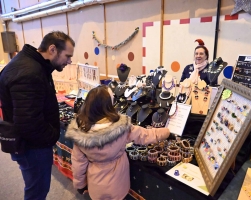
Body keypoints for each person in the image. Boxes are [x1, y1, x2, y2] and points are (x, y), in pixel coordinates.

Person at [0, 31, 75, 200]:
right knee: (37, 192)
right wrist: (52, 136)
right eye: (67, 56)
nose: (69, 61)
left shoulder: (33, 65)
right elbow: (28, 123)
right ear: (52, 49)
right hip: (32, 148)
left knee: (36, 189)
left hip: (31, 145)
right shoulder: (30, 72)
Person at [65, 86, 170, 200]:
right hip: (118, 182)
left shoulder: (80, 132)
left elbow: (78, 163)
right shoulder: (122, 127)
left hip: (96, 183)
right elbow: (145, 135)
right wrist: (167, 132)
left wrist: (80, 184)